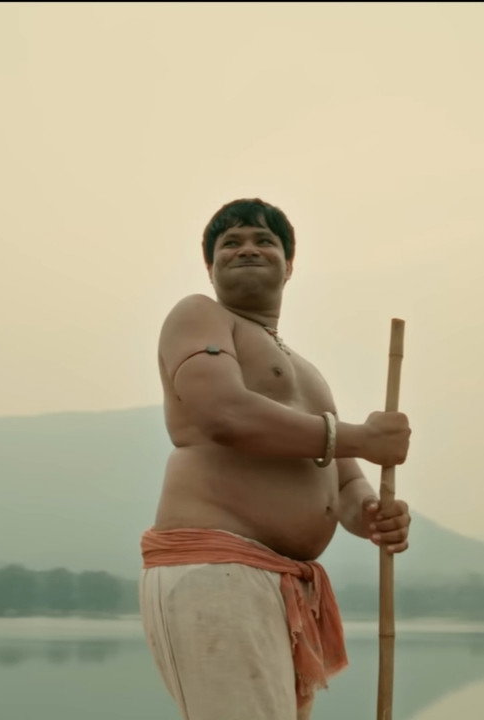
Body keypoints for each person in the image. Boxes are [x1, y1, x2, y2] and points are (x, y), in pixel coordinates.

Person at [139, 198, 413, 720]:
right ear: (210, 266)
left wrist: (374, 514)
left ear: (289, 265)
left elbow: (344, 480)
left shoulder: (307, 372)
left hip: (278, 583)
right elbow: (224, 414)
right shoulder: (199, 316)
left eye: (264, 241)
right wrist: (362, 437)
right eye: (231, 242)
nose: (247, 248)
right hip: (216, 567)